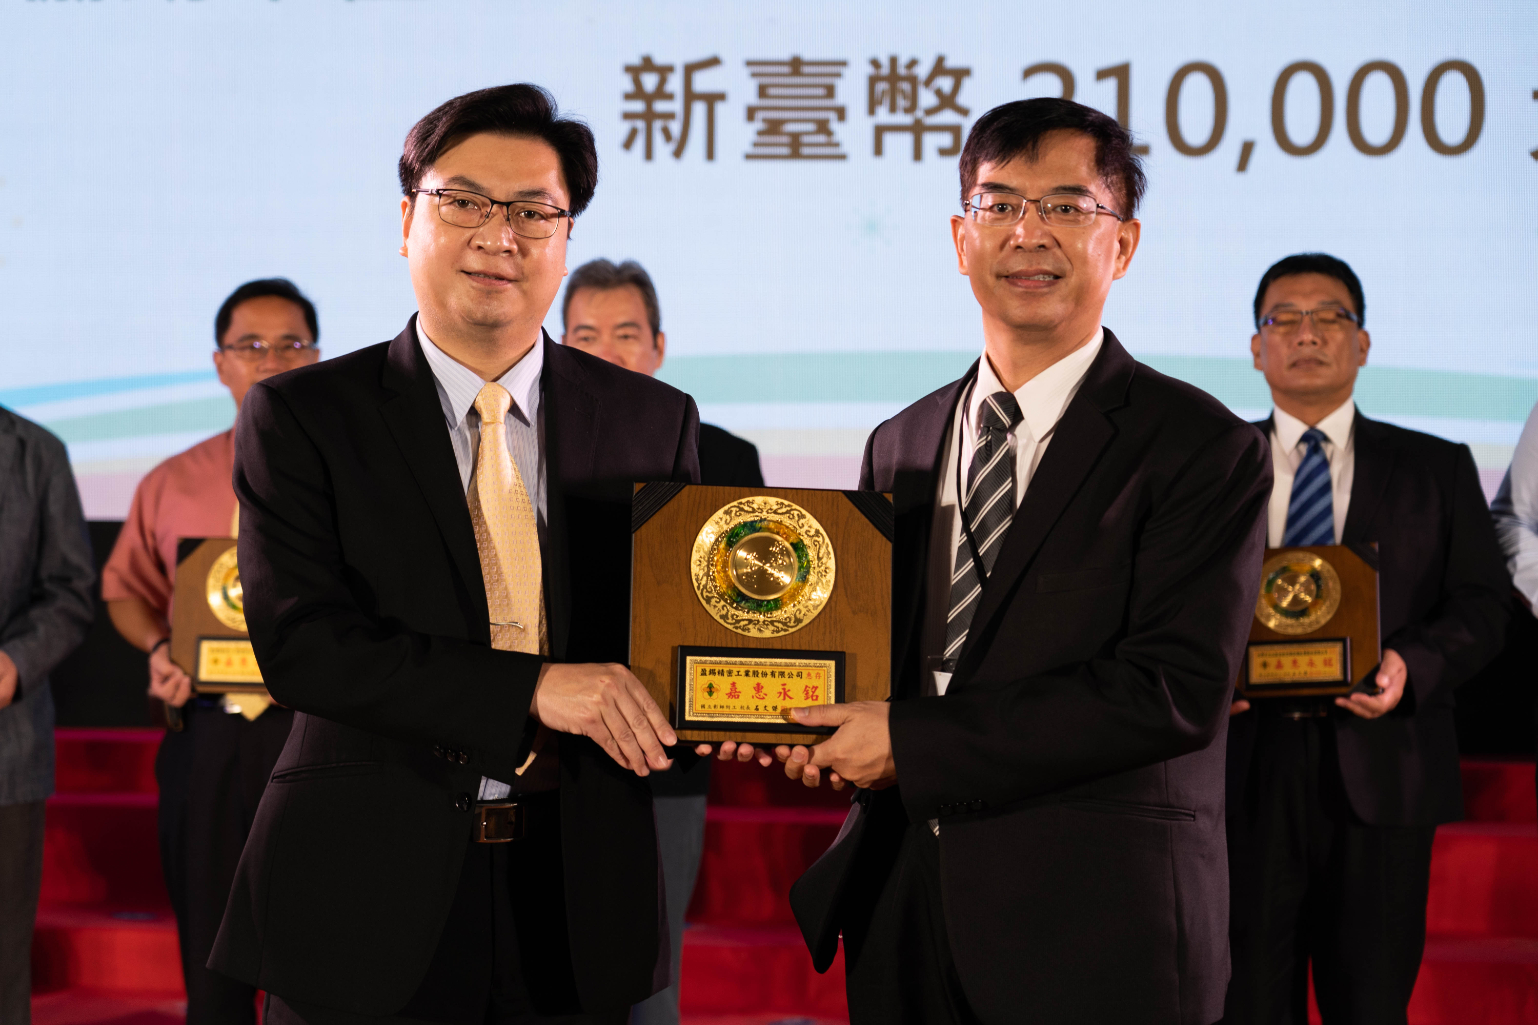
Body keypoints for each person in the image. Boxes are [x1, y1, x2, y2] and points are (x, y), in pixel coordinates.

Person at [762, 97, 1271, 1025]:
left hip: (1098, 926)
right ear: (962, 240)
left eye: (1067, 206)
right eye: (998, 205)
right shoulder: (900, 442)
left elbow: (1171, 689)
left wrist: (908, 744)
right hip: (906, 907)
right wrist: (799, 718)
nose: (1027, 233)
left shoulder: (1202, 446)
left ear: (1124, 244)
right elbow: (883, 668)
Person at [211, 84, 705, 1025]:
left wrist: (738, 698)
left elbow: (671, 638)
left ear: (565, 236)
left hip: (575, 887)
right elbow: (305, 647)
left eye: (532, 212)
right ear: (408, 222)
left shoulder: (652, 419)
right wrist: (532, 689)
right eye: (465, 202)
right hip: (363, 883)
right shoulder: (305, 416)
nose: (499, 235)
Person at [1224, 253, 1510, 1024]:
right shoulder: (1210, 467)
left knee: (1372, 1004)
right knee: (1246, 1002)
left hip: (1385, 768)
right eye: (1285, 317)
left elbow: (1485, 603)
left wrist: (1413, 664)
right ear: (1256, 347)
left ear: (1363, 342)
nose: (1307, 333)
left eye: (1330, 316)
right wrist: (1207, 674)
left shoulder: (1435, 467)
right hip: (1243, 770)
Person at [102, 277, 320, 1024]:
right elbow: (124, 588)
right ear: (220, 362)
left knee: (315, 960)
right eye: (250, 345)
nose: (271, 359)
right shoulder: (172, 481)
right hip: (209, 735)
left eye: (290, 344)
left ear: (317, 358)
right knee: (211, 955)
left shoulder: (356, 482)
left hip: (318, 736)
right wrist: (159, 645)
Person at [559, 257, 763, 1025]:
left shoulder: (727, 456)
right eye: (585, 336)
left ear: (659, 346)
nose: (606, 353)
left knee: (650, 982)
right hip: (548, 746)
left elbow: (747, 612)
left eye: (625, 333)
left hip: (668, 745)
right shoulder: (521, 446)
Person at [0, 408, 94, 1025]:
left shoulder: (36, 451)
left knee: (2, 962)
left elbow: (70, 590)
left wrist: (16, 662)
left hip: (5, 752)